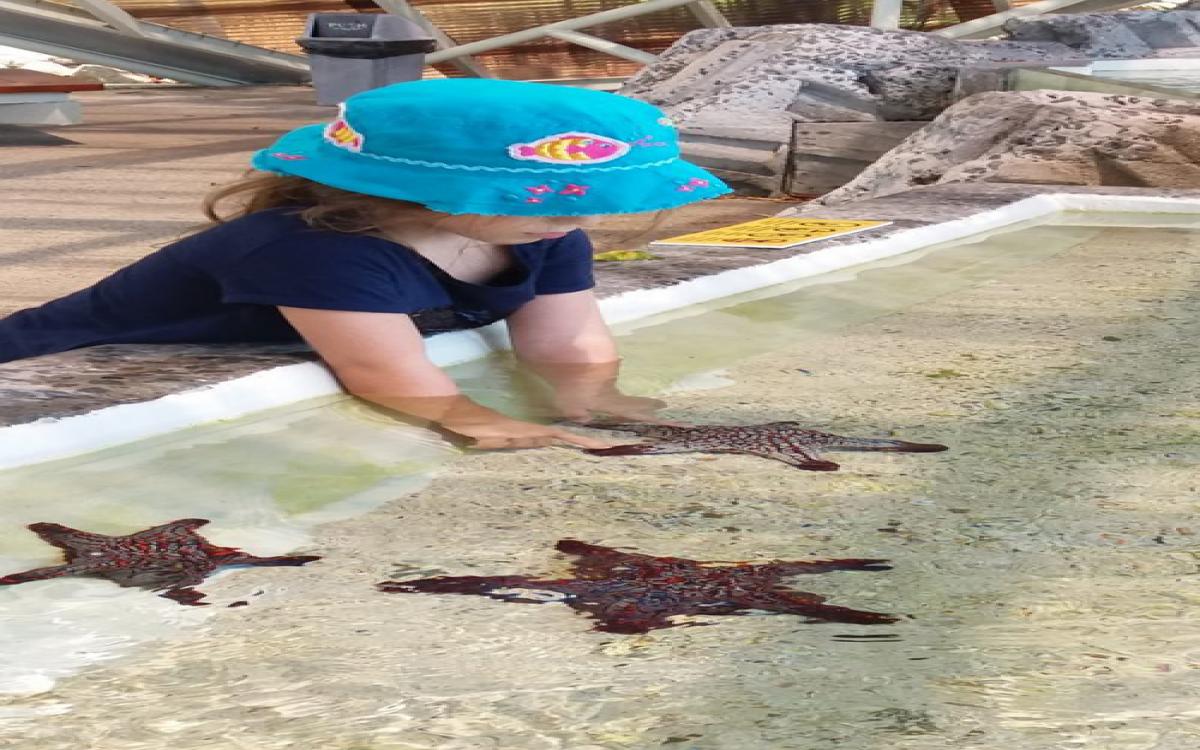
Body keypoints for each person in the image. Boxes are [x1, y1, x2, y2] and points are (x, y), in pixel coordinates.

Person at [0, 79, 730, 449]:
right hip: (44, 361)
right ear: (426, 191)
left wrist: (593, 398)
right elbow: (384, 374)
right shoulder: (316, 253)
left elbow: (569, 341)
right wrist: (468, 418)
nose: (585, 218)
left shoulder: (545, 234)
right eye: (557, 200)